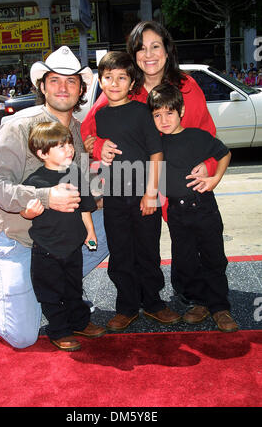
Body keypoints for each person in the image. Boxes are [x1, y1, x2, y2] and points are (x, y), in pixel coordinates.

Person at [0, 46, 109, 349]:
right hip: (15, 237)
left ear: (81, 88)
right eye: (55, 80)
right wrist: (45, 196)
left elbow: (80, 190)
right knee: (23, 336)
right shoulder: (20, 125)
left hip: (55, 239)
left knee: (118, 221)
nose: (63, 88)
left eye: (71, 81)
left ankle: (54, 291)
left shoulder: (81, 134)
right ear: (42, 86)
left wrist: (103, 186)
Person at [81, 20, 217, 299]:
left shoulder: (187, 86)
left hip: (184, 180)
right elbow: (89, 130)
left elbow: (207, 132)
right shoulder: (125, 89)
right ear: (133, 55)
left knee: (195, 243)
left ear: (167, 50)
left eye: (156, 46)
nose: (149, 54)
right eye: (141, 48)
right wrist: (99, 147)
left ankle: (202, 299)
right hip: (141, 184)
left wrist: (210, 167)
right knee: (140, 245)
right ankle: (136, 300)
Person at [95, 51, 181, 331]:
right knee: (120, 253)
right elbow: (90, 145)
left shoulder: (141, 111)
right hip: (114, 197)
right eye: (109, 77)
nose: (115, 82)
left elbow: (157, 154)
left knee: (147, 250)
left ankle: (154, 303)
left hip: (144, 195)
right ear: (101, 81)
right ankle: (127, 306)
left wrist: (151, 193)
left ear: (133, 83)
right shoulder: (100, 115)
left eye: (122, 77)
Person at [147, 82, 238, 332]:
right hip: (176, 213)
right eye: (157, 115)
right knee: (186, 261)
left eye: (169, 112)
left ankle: (220, 307)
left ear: (182, 111)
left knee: (213, 258)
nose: (164, 119)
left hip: (204, 207)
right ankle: (200, 303)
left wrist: (214, 178)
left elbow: (224, 153)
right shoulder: (154, 145)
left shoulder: (197, 136)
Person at [20, 121, 105, 351]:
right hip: (46, 251)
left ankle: (79, 322)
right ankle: (58, 330)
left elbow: (86, 207)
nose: (69, 149)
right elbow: (24, 210)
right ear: (42, 153)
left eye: (69, 143)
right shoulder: (34, 182)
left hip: (72, 248)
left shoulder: (76, 174)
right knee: (50, 294)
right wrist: (29, 212)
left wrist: (90, 232)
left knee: (74, 288)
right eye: (60, 146)